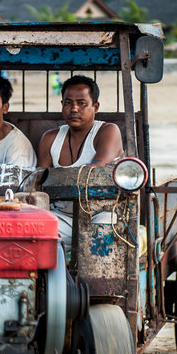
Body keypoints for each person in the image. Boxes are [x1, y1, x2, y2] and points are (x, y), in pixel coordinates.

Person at [36, 75, 124, 250]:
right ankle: (54, 278)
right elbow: (39, 181)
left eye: (81, 103)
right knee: (38, 235)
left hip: (100, 212)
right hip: (63, 215)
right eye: (68, 103)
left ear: (95, 107)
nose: (74, 109)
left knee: (101, 236)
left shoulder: (107, 131)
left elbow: (95, 170)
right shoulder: (50, 138)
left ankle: (96, 279)